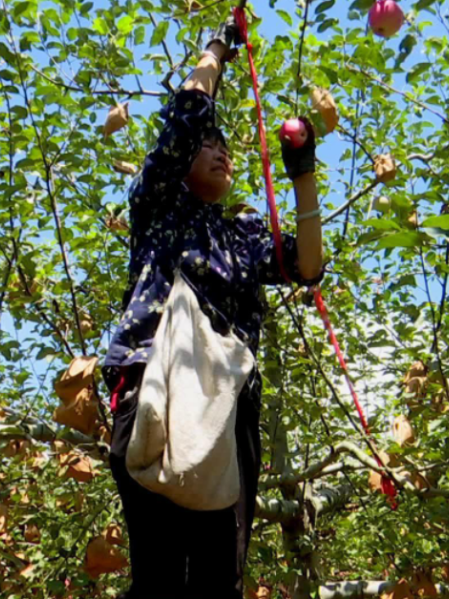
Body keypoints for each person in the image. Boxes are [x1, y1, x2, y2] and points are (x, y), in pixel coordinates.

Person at [101, 14, 326, 599]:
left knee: (216, 581)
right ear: (181, 163)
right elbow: (188, 113)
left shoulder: (243, 236)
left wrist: (303, 172)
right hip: (154, 377)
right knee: (158, 577)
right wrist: (218, 49)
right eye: (210, 146)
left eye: (227, 149)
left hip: (227, 408)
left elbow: (307, 266)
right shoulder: (158, 206)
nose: (222, 152)